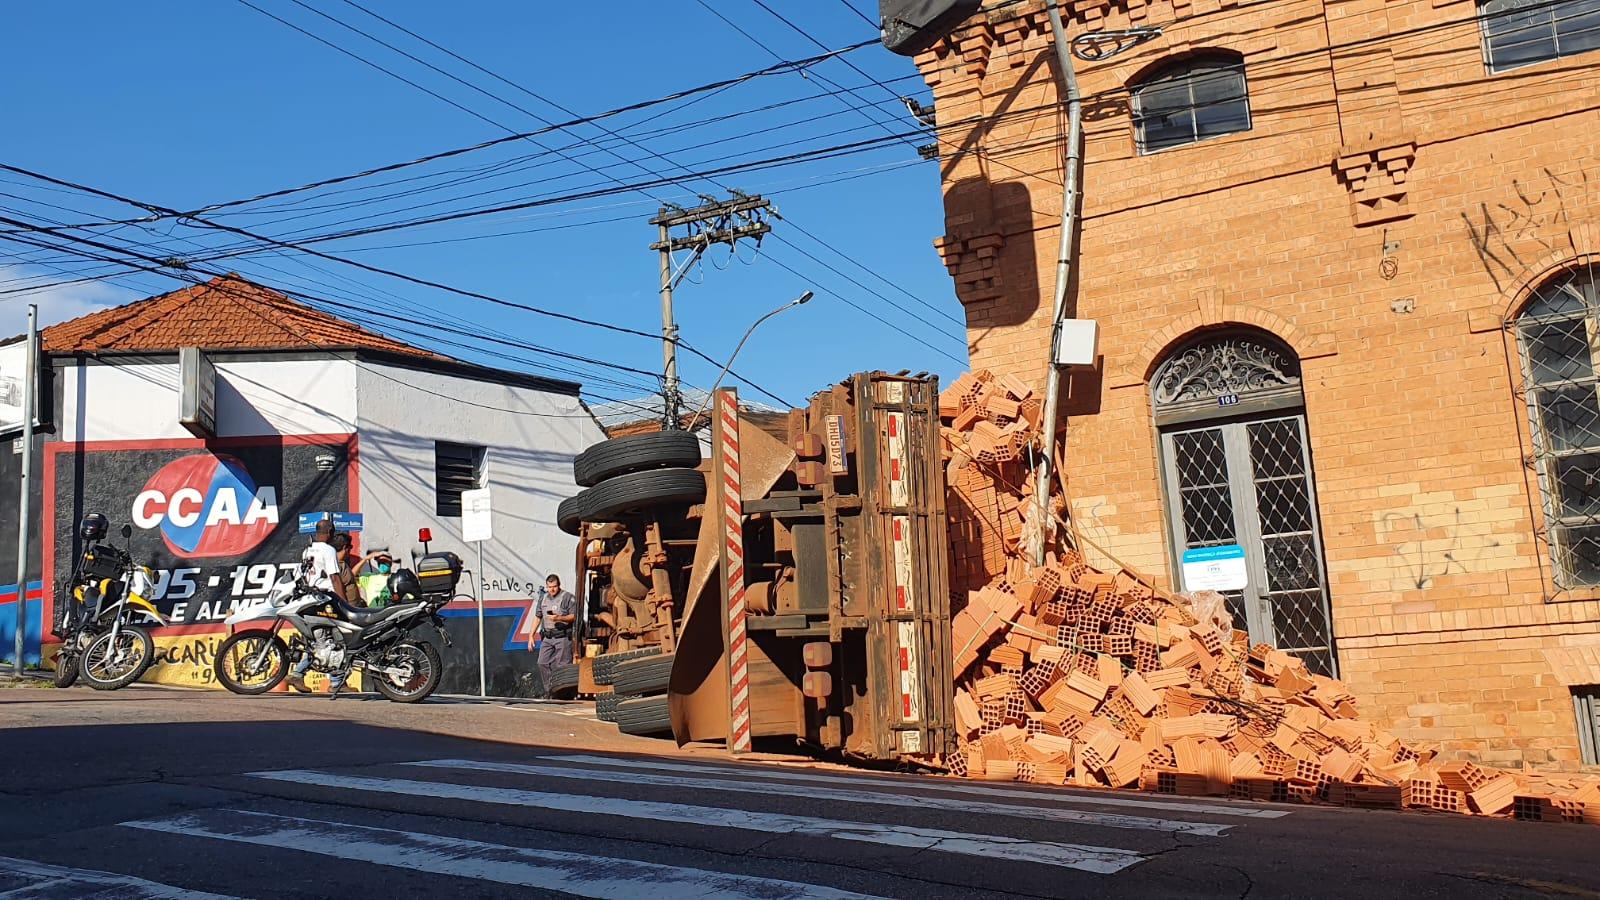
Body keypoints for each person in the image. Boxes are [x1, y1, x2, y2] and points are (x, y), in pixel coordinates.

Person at [288, 520, 346, 695]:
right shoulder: (328, 550)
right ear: (329, 532)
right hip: (325, 599)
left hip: (309, 599)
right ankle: (336, 682)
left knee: (319, 642)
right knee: (337, 639)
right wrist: (343, 604)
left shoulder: (308, 550)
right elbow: (335, 578)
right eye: (333, 532)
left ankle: (302, 675)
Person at [532, 574, 576, 699]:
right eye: (550, 587)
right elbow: (538, 617)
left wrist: (559, 618)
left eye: (554, 586)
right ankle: (549, 690)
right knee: (542, 662)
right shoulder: (543, 598)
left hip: (562, 636)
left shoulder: (568, 597)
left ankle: (562, 694)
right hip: (547, 637)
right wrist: (531, 635)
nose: (552, 589)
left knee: (562, 665)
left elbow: (574, 616)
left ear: (559, 585)